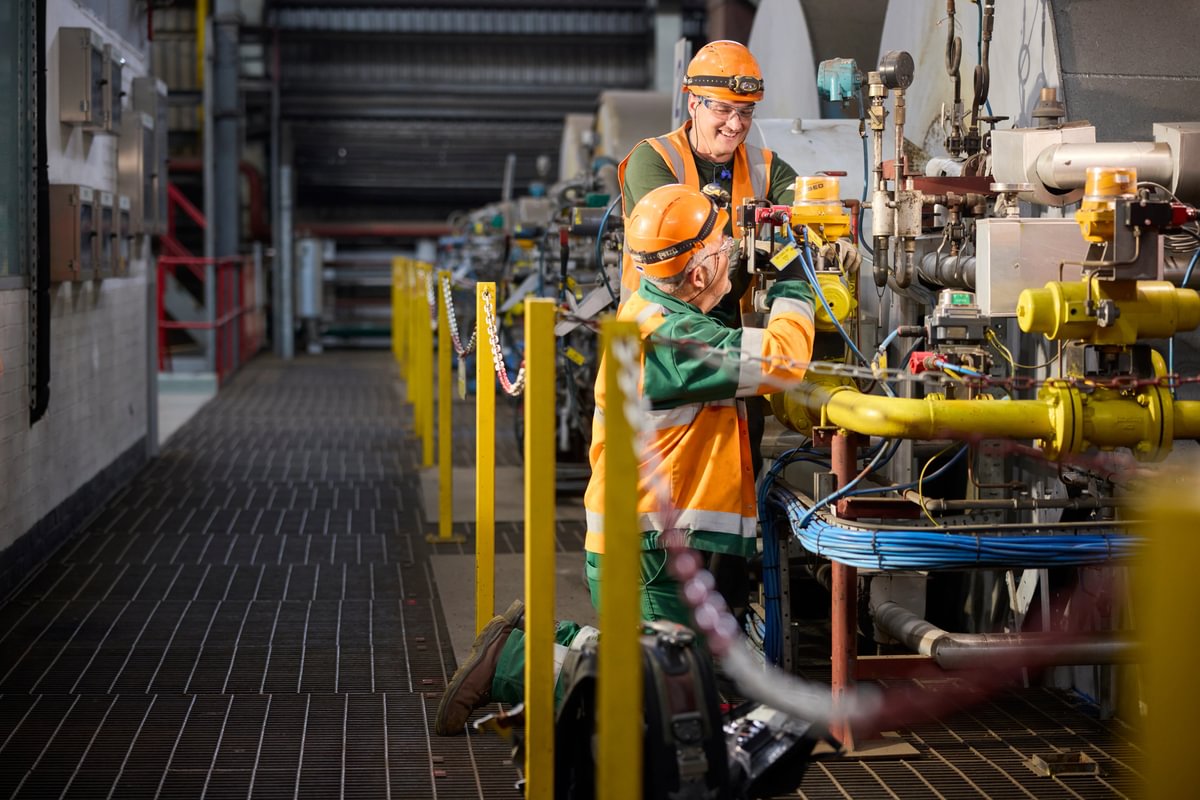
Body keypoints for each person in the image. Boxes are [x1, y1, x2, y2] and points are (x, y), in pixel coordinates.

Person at [434, 184, 816, 735]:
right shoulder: (669, 342)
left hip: (644, 543)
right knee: (664, 692)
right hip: (651, 550)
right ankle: (512, 665)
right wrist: (798, 285)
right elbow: (780, 361)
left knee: (673, 672)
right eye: (722, 246)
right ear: (702, 270)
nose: (731, 252)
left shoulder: (658, 314)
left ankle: (539, 642)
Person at [618, 39, 800, 326]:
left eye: (746, 111)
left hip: (727, 335)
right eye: (722, 109)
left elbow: (804, 213)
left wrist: (824, 238)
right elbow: (688, 254)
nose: (735, 124)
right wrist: (767, 248)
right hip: (652, 333)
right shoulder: (654, 160)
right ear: (693, 104)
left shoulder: (764, 167)